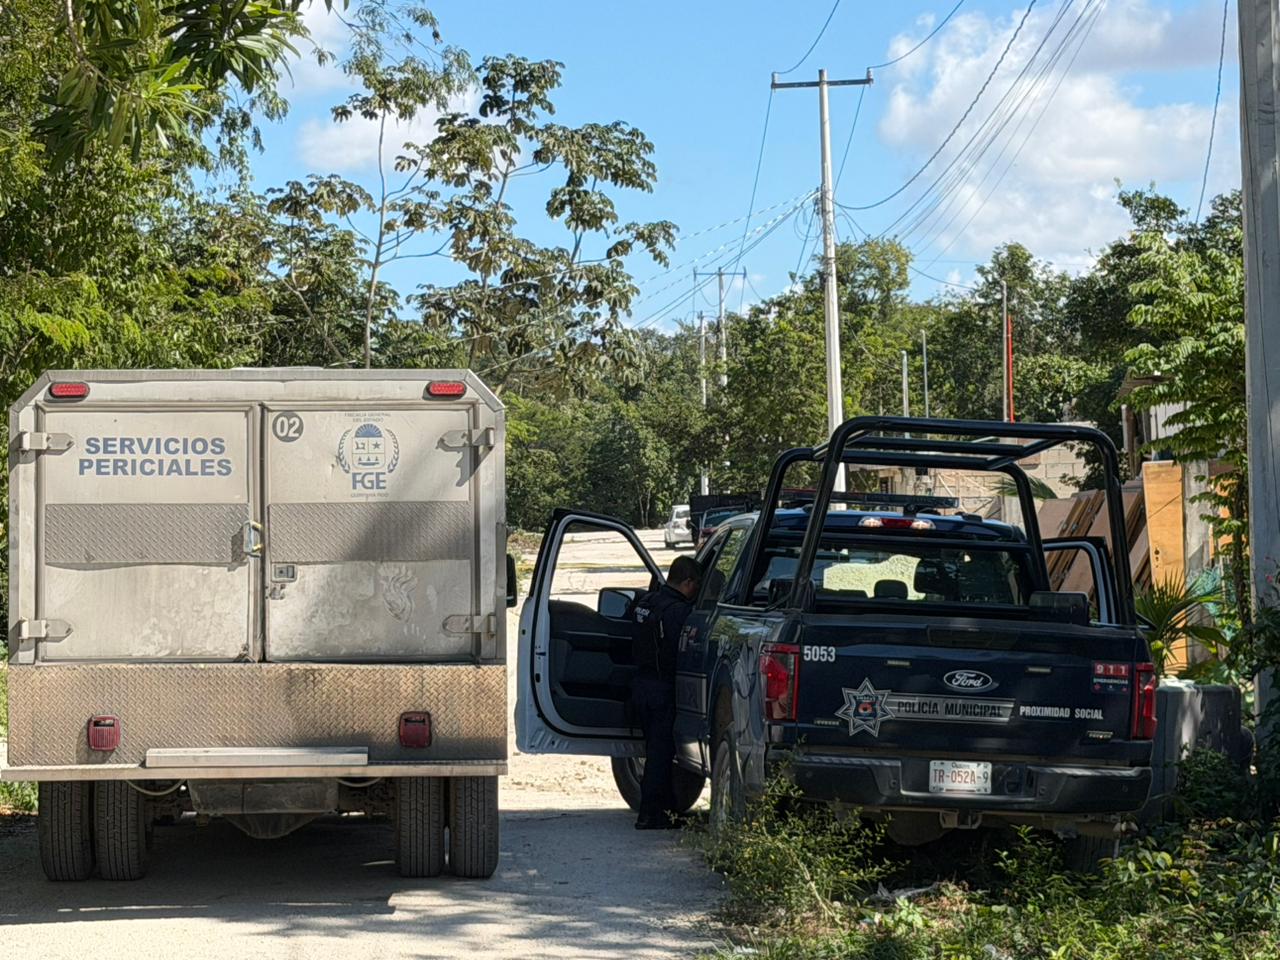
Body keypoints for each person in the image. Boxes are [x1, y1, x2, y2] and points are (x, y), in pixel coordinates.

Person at [629, 554, 702, 830]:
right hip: (662, 689)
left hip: (641, 685)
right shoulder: (678, 612)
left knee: (656, 751)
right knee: (661, 754)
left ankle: (667, 809)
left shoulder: (645, 603)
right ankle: (649, 815)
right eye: (696, 586)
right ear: (688, 582)